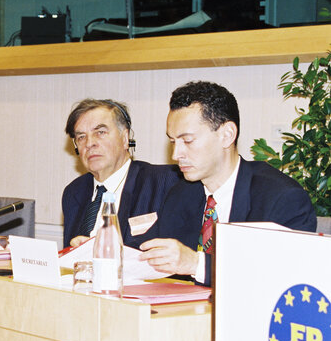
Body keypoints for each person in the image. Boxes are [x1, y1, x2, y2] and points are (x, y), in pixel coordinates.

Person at [139, 81, 317, 286]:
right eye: (173, 142)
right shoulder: (181, 193)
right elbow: (155, 257)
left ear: (227, 135)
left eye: (187, 141)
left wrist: (196, 264)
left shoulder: (281, 198)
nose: (176, 154)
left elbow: (279, 278)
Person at [62, 99, 181, 249]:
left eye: (100, 132)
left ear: (125, 138)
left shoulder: (164, 181)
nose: (89, 143)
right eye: (81, 137)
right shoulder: (73, 192)